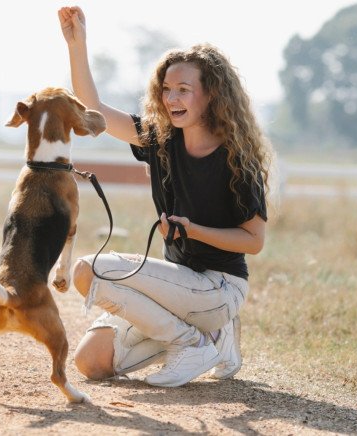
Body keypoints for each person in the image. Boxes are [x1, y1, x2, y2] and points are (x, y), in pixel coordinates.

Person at [58, 6, 273, 388]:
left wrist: (194, 230)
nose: (172, 98)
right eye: (167, 89)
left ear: (211, 96)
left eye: (184, 90)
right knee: (91, 363)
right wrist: (78, 45)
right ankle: (215, 341)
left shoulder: (238, 159)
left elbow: (254, 242)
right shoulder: (160, 140)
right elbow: (94, 110)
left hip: (219, 288)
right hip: (178, 287)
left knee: (87, 270)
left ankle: (192, 342)